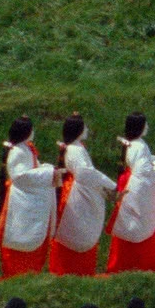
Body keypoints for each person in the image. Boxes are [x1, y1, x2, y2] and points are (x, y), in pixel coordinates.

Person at [47, 114, 115, 277]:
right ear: (78, 130)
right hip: (76, 195)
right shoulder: (76, 150)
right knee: (78, 228)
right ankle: (75, 271)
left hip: (72, 191)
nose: (87, 129)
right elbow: (84, 173)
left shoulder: (74, 148)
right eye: (84, 126)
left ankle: (65, 270)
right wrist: (110, 185)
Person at [105, 112, 155, 273]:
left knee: (127, 222)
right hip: (141, 189)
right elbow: (145, 173)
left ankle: (121, 263)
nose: (147, 126)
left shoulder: (132, 144)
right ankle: (146, 263)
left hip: (128, 184)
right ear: (139, 127)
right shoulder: (140, 146)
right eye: (145, 124)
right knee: (146, 222)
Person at [0, 116, 56, 279]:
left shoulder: (26, 149)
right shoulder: (17, 151)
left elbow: (34, 168)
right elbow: (20, 176)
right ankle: (16, 271)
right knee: (20, 233)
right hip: (21, 199)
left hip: (30, 198)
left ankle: (32, 270)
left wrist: (47, 168)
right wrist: (49, 173)